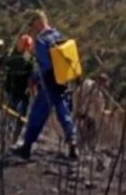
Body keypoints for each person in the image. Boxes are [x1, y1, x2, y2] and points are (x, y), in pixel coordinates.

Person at [11, 10, 78, 160]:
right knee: (64, 113)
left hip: (48, 84)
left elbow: (45, 65)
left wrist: (34, 77)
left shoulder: (41, 40)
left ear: (37, 22)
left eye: (32, 25)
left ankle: (26, 147)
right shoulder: (58, 35)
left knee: (37, 114)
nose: (32, 29)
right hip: (63, 81)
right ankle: (73, 143)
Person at [0, 34, 35, 143]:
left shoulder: (12, 56)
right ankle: (11, 137)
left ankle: (9, 136)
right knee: (17, 116)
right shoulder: (27, 58)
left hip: (16, 90)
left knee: (15, 115)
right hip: (17, 91)